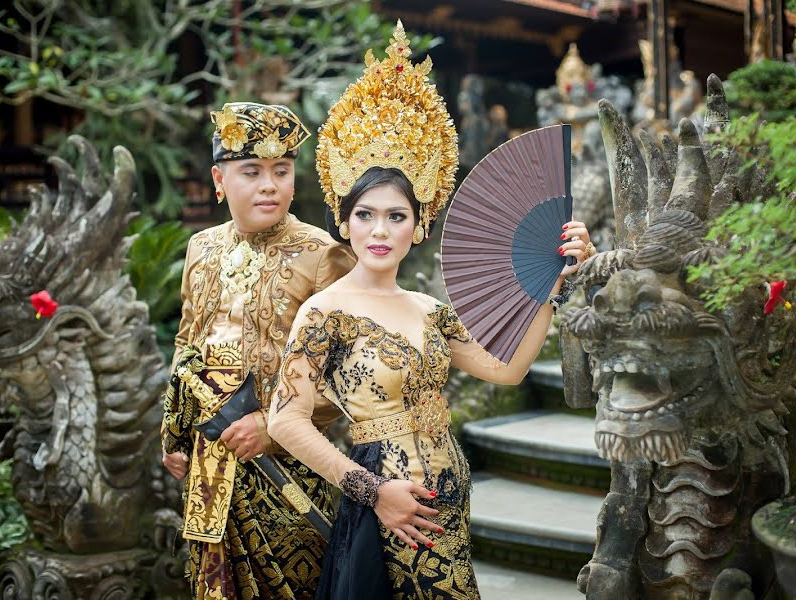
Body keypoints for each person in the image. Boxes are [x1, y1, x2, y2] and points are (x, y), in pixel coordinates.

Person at [267, 22, 594, 599]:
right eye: (365, 214)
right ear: (343, 221)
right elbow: (284, 420)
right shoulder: (324, 310)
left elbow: (507, 370)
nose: (380, 229)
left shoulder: (428, 308)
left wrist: (551, 286)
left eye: (397, 216)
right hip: (387, 504)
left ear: (418, 227)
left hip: (451, 499)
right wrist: (372, 492)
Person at [161, 101, 355, 599]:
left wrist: (272, 427)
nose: (269, 184)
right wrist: (175, 431)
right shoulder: (201, 247)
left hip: (288, 469)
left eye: (281, 171)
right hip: (211, 456)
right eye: (251, 171)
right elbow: (187, 346)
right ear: (219, 180)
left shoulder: (323, 253)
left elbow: (346, 374)